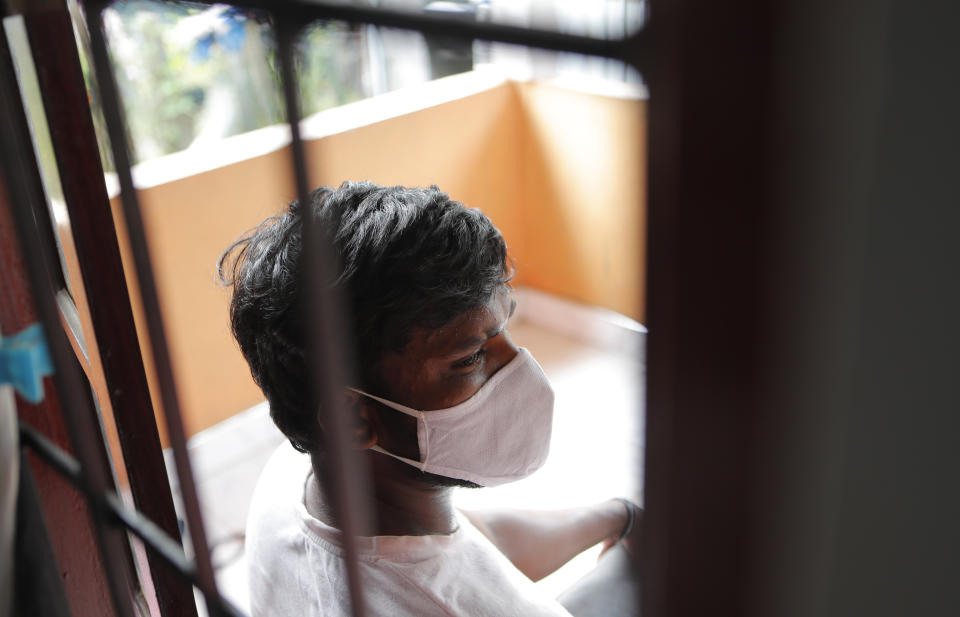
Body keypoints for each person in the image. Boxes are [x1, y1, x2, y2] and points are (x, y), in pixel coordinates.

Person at [219, 181, 639, 617]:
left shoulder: (293, 480)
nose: (519, 367)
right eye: (470, 358)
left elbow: (470, 546)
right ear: (355, 419)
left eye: (506, 327)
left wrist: (617, 514)